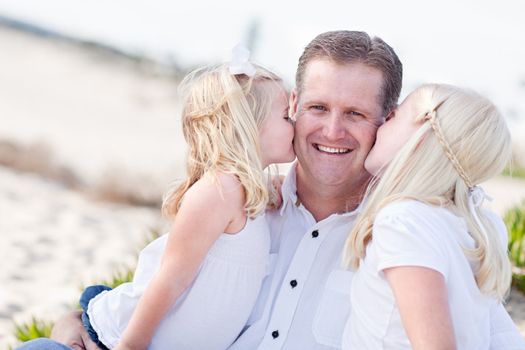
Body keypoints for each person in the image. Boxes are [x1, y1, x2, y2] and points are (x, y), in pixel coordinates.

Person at [17, 31, 524, 350]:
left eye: (355, 114)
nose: (331, 131)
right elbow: (152, 288)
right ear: (293, 107)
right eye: (318, 108)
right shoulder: (244, 203)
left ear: (387, 123)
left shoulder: (406, 234)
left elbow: (484, 330)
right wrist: (70, 323)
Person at [18, 55, 295, 350]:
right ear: (249, 127)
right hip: (118, 339)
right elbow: (170, 279)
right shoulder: (219, 191)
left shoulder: (245, 195)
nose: (296, 121)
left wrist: (271, 189)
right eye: (286, 116)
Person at [342, 83, 514, 349]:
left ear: (420, 138)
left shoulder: (404, 223)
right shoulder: (479, 227)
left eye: (394, 117)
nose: (381, 125)